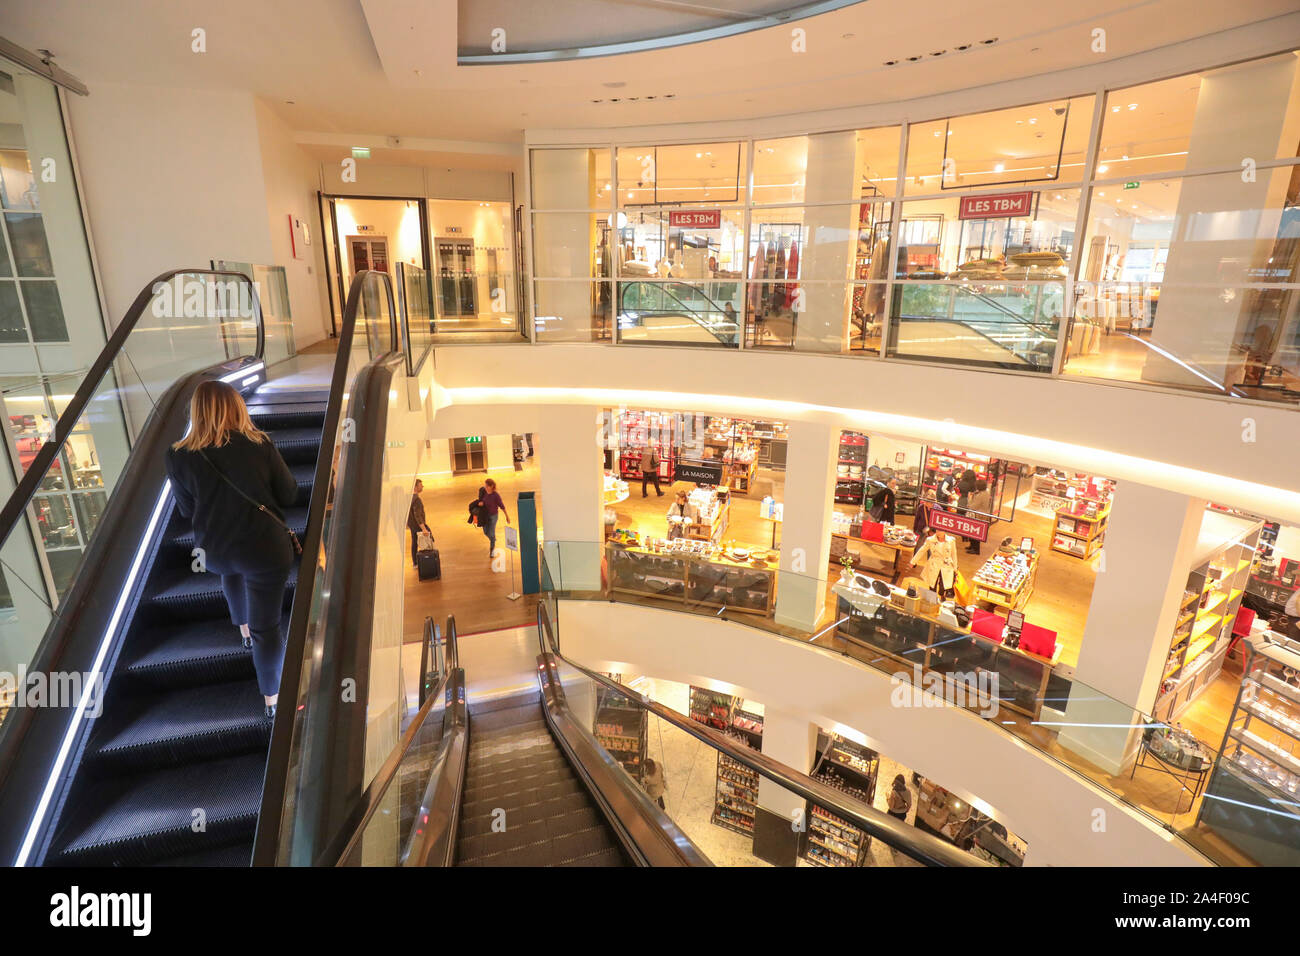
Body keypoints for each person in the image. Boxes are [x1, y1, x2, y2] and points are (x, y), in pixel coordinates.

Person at [166, 381, 297, 719]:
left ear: (197, 412)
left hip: (216, 549)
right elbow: (288, 494)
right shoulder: (259, 444)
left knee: (230, 571)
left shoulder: (177, 455)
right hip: (265, 548)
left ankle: (241, 630)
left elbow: (184, 510)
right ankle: (273, 699)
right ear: (237, 408)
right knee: (267, 628)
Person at [912, 527, 959, 599]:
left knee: (944, 583)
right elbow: (922, 550)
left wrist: (955, 568)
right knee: (932, 583)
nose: (938, 532)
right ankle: (932, 599)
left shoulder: (951, 541)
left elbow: (954, 554)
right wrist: (913, 561)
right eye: (937, 530)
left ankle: (942, 595)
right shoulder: (930, 540)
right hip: (934, 564)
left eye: (940, 530)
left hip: (946, 565)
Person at [478, 477, 511, 557]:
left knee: (491, 532)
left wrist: (507, 516)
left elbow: (502, 506)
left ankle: (492, 550)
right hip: (485, 516)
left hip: (493, 516)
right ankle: (493, 539)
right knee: (486, 532)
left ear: (491, 486)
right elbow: (480, 500)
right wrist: (480, 503)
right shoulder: (484, 492)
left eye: (487, 486)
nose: (485, 488)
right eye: (485, 486)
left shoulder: (496, 495)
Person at [964, 480, 991, 555]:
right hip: (982, 515)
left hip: (978, 516)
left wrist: (969, 498)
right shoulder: (986, 492)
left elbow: (972, 506)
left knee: (975, 533)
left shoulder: (981, 495)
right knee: (975, 533)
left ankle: (975, 549)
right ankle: (972, 546)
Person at [407, 478, 430, 567]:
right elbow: (418, 515)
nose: (422, 487)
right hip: (417, 525)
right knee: (428, 540)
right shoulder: (417, 500)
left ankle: (415, 562)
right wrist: (423, 528)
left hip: (412, 525)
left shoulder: (409, 498)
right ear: (415, 487)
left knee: (414, 542)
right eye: (420, 485)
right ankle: (427, 560)